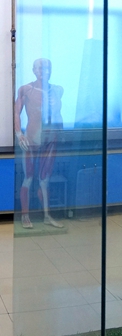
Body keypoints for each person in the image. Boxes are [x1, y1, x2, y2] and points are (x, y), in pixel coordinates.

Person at [13, 58, 64, 229]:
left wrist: (60, 133)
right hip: (31, 139)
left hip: (50, 139)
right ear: (34, 70)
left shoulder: (58, 90)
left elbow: (58, 117)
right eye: (40, 68)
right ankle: (25, 215)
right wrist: (19, 134)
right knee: (28, 177)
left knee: (44, 179)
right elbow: (16, 112)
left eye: (47, 68)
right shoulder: (26, 89)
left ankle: (47, 216)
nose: (44, 72)